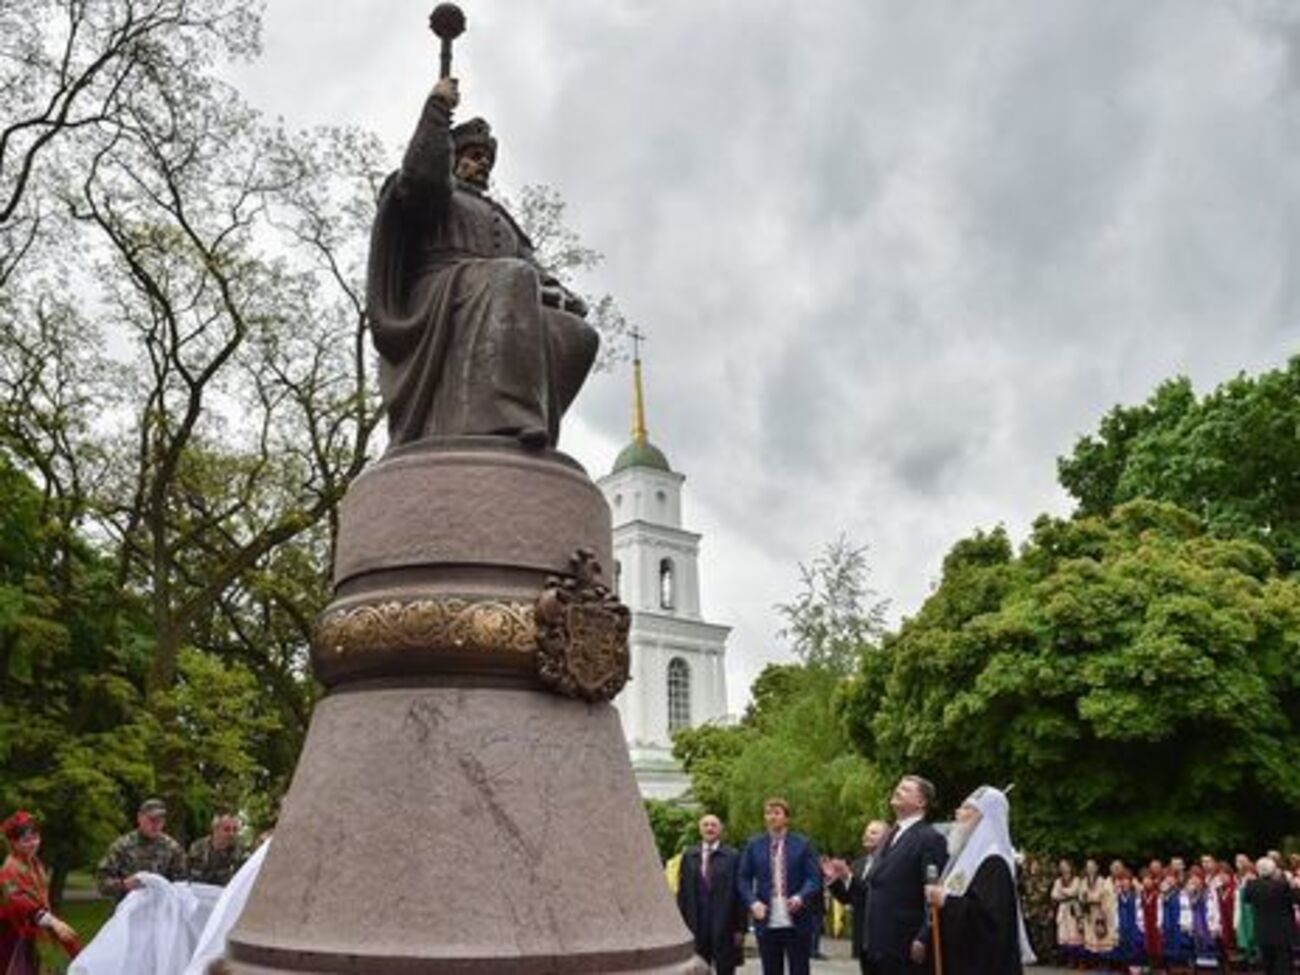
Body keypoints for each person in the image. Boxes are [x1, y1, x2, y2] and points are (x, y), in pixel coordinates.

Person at [367, 74, 599, 449]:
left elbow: (532, 267)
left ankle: (538, 423)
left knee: (578, 334)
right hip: (441, 292)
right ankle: (508, 416)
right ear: (454, 158)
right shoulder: (436, 192)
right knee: (511, 276)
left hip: (502, 289)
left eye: (487, 159)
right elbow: (420, 175)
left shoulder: (501, 217)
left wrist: (559, 293)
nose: (483, 165)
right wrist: (437, 109)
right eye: (475, 157)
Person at [923, 786, 1033, 975]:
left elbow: (990, 922)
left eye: (967, 809)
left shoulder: (993, 862)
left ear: (984, 819)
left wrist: (946, 901)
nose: (958, 813)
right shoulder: (966, 857)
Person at [861, 775, 948, 975]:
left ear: (921, 802)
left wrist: (924, 936)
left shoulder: (929, 838)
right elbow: (878, 883)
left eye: (906, 789)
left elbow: (934, 893)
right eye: (898, 786)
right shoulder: (892, 834)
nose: (898, 790)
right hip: (876, 943)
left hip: (904, 945)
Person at [736, 797, 822, 975]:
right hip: (766, 918)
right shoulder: (754, 845)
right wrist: (753, 903)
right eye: (768, 813)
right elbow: (742, 878)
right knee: (770, 970)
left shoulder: (802, 844)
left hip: (796, 919)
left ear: (786, 818)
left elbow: (814, 878)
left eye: (776, 813)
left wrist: (801, 896)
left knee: (800, 970)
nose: (772, 817)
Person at [0, 811, 80, 972]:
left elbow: (40, 900)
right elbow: (19, 902)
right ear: (13, 843)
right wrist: (52, 922)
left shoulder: (34, 863)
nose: (34, 843)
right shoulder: (9, 869)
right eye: (26, 840)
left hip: (34, 933)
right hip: (13, 938)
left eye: (36, 838)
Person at [677, 814, 747, 975]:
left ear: (720, 829)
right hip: (696, 924)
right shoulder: (689, 856)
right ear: (700, 829)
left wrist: (740, 927)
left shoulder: (732, 856)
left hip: (725, 924)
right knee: (697, 968)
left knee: (725, 968)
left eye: (713, 825)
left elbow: (740, 894)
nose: (709, 828)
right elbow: (683, 894)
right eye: (706, 825)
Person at [823, 819, 889, 972]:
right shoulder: (859, 863)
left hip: (883, 937)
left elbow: (873, 893)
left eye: (873, 832)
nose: (867, 835)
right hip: (863, 938)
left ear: (887, 837)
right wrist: (832, 879)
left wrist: (848, 876)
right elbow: (848, 898)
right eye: (866, 832)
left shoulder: (890, 863)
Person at [97, 797, 187, 902]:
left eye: (160, 820)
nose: (156, 825)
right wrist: (124, 885)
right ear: (139, 818)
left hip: (160, 913)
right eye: (151, 820)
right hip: (127, 911)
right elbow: (102, 883)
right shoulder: (122, 846)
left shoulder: (172, 848)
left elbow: (182, 885)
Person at [1242, 856, 1297, 975]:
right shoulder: (1282, 885)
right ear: (1273, 870)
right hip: (1282, 933)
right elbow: (1295, 899)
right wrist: (1293, 886)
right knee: (1284, 966)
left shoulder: (1251, 885)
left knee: (1268, 966)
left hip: (1262, 932)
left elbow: (1246, 899)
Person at [187, 813, 246, 887]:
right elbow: (185, 875)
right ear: (215, 830)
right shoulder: (197, 847)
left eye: (235, 830)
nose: (231, 834)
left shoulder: (241, 854)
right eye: (226, 829)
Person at [1080, 857, 1116, 959]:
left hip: (1099, 910)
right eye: (1088, 867)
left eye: (1092, 866)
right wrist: (1086, 898)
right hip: (1089, 911)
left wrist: (1090, 897)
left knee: (1101, 934)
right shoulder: (1084, 881)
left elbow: (1102, 895)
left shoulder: (1102, 881)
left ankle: (1104, 960)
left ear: (1096, 868)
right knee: (1090, 935)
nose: (1090, 869)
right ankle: (1093, 959)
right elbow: (1081, 895)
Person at [1050, 859, 1083, 963]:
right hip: (1063, 908)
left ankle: (1078, 959)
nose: (1063, 868)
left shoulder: (1076, 879)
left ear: (1070, 866)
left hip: (1073, 908)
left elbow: (1074, 891)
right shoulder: (1058, 881)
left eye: (1065, 865)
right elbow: (1054, 895)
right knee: (1063, 933)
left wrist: (1062, 891)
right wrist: (1065, 893)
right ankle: (1069, 959)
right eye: (1061, 866)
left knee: (1075, 932)